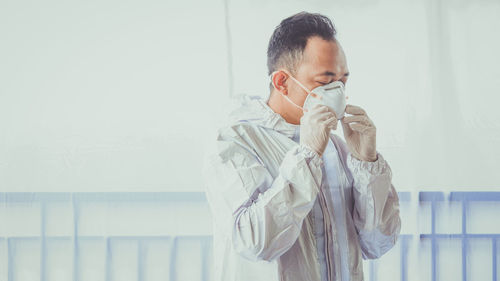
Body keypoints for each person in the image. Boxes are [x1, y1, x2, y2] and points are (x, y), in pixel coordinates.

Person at [202, 11, 401, 281]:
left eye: (343, 81)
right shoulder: (234, 142)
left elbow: (377, 243)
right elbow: (254, 242)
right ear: (282, 82)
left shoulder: (339, 149)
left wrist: (367, 162)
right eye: (325, 82)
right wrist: (307, 156)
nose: (338, 93)